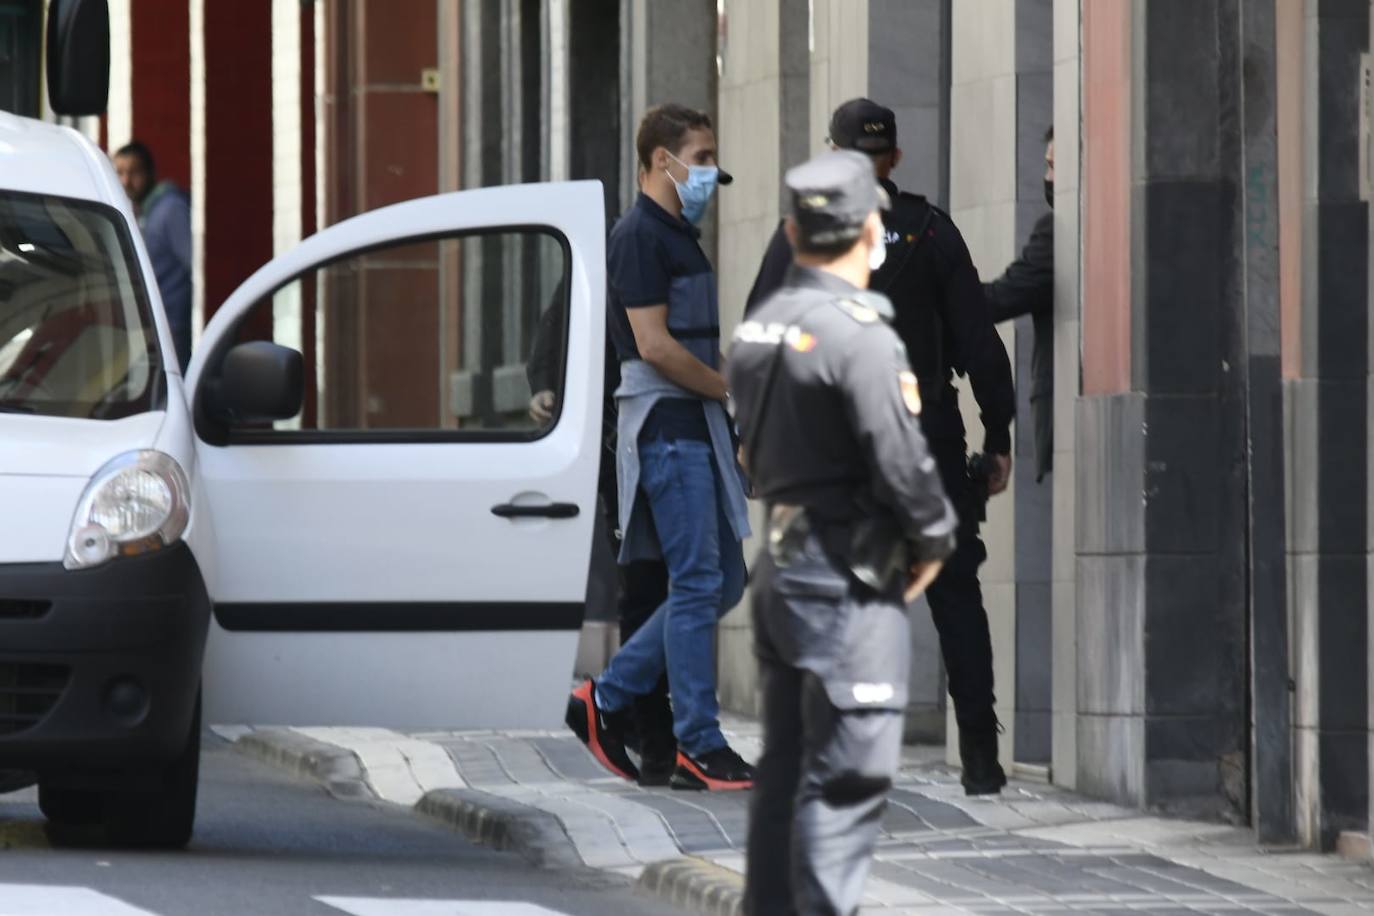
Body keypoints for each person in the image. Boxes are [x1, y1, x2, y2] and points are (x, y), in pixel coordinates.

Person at [746, 98, 1016, 795]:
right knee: (955, 594)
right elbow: (980, 345)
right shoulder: (932, 230)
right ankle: (980, 758)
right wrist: (998, 435)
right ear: (895, 158)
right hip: (926, 440)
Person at [729, 149, 958, 916]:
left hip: (782, 565)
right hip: (847, 575)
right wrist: (934, 536)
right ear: (867, 232)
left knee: (785, 769)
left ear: (794, 235)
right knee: (845, 781)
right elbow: (900, 457)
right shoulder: (859, 334)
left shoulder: (758, 331)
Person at [566, 103, 755, 791]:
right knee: (702, 582)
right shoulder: (640, 235)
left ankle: (606, 698)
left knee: (722, 581)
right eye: (701, 158)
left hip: (692, 426)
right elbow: (653, 346)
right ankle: (696, 743)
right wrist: (728, 390)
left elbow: (688, 344)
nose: (711, 172)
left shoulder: (674, 234)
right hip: (670, 430)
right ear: (659, 160)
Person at [526, 275, 677, 786]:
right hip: (620, 444)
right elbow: (551, 340)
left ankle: (635, 716)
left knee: (688, 586)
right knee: (648, 587)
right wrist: (546, 389)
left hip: (670, 439)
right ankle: (649, 731)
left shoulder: (673, 251)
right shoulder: (616, 254)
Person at [984, 127, 1054, 482]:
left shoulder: (1056, 230)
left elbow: (999, 299)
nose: (1048, 178)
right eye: (1047, 166)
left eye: (1054, 167)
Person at [113, 141, 193, 371]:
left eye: (134, 172)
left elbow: (195, 264)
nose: (126, 181)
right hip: (157, 328)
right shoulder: (146, 212)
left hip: (176, 327)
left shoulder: (171, 209)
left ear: (149, 173)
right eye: (120, 172)